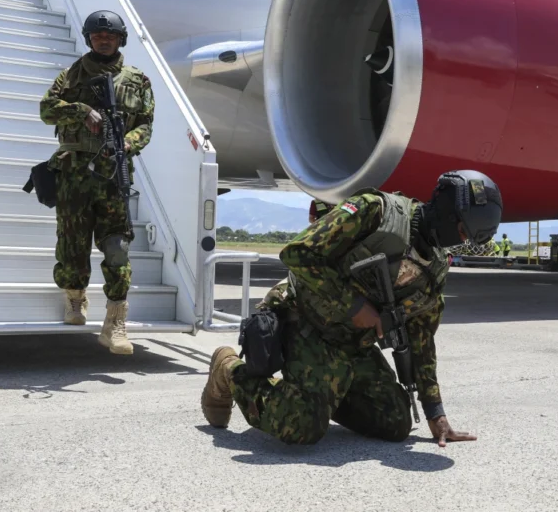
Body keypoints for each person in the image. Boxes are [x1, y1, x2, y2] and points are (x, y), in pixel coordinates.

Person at [201, 170, 503, 447]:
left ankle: (321, 395)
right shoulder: (376, 212)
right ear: (450, 213)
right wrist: (354, 305)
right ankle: (229, 369)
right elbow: (298, 254)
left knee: (395, 421)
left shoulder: (435, 268)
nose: (460, 242)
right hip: (305, 322)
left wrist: (435, 413)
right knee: (302, 426)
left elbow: (422, 338)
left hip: (351, 346)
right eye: (463, 231)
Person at [39, 10, 155, 355]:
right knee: (73, 245)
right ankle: (75, 300)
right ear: (89, 39)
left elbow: (146, 124)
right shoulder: (70, 76)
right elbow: (46, 110)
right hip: (74, 174)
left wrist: (127, 142)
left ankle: (115, 322)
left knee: (117, 248)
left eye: (110, 35)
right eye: (97, 35)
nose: (104, 39)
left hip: (112, 175)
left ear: (121, 39)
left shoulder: (138, 80)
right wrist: (79, 111)